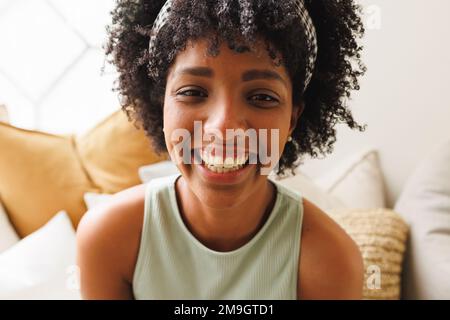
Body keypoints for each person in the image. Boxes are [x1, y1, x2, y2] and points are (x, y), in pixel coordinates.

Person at [77, 0, 367, 299]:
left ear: (292, 119)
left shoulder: (331, 260)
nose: (224, 127)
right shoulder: (110, 237)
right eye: (193, 92)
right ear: (160, 103)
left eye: (261, 97)